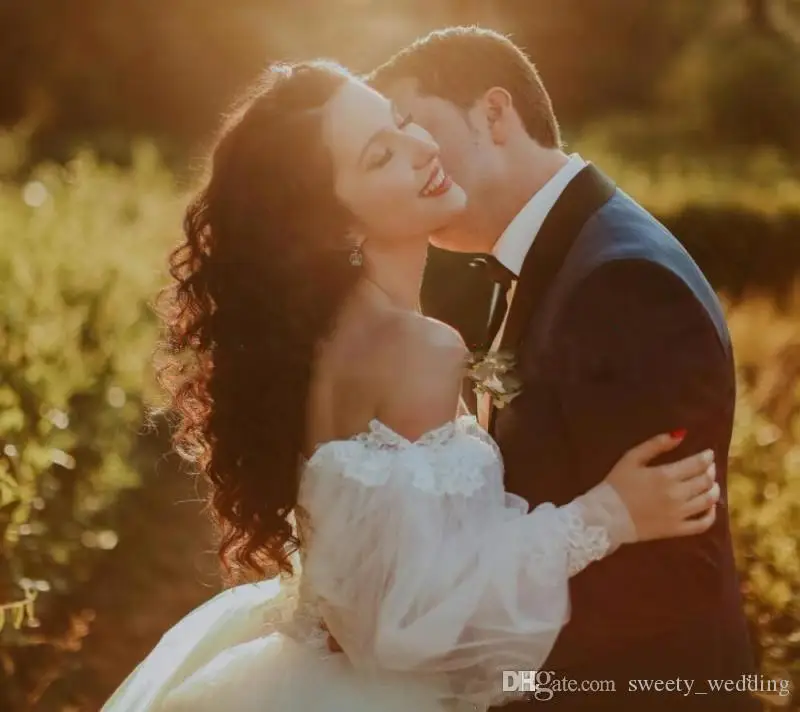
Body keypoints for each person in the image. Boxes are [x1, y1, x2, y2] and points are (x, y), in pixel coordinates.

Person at [101, 60, 719, 712]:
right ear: (334, 223)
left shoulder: (334, 334)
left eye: (402, 122)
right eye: (380, 156)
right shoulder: (416, 348)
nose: (423, 148)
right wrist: (605, 516)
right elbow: (418, 620)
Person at [367, 26, 758, 711]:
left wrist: (475, 663)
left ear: (494, 114)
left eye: (417, 127)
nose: (414, 160)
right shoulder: (562, 254)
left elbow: (670, 573)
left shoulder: (623, 281)